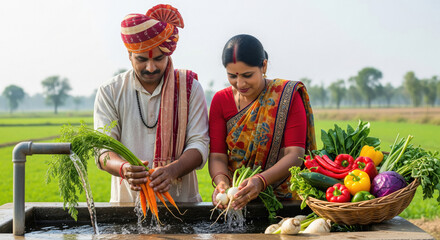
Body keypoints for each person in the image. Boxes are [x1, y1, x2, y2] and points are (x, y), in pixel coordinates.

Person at [94, 4, 209, 203]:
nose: (151, 67)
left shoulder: (190, 88)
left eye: (159, 58)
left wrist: (173, 170)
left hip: (183, 205)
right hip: (127, 206)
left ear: (168, 54)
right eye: (141, 59)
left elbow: (199, 144)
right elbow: (103, 149)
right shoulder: (110, 91)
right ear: (129, 55)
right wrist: (124, 169)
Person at [209, 34, 316, 210]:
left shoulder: (286, 96)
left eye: (247, 75)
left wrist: (261, 181)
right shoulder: (221, 101)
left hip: (284, 200)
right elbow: (217, 156)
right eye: (232, 76)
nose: (240, 83)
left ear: (263, 66)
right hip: (236, 199)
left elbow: (295, 153)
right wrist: (221, 182)